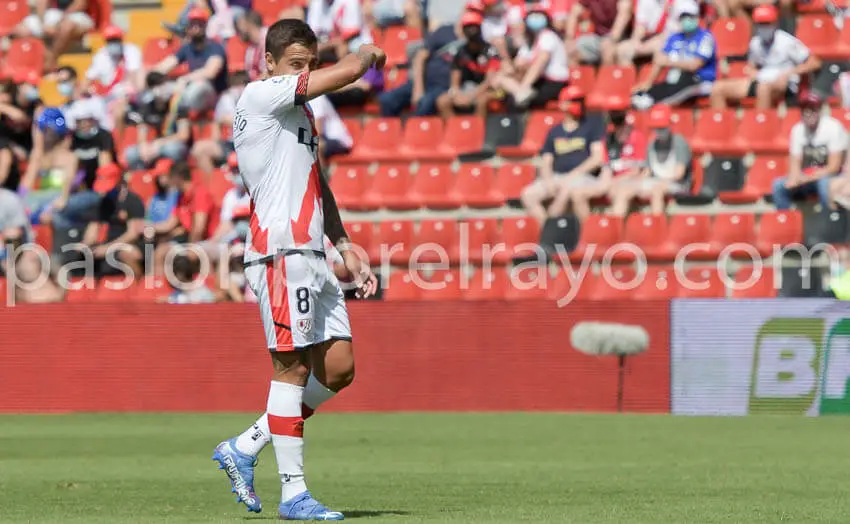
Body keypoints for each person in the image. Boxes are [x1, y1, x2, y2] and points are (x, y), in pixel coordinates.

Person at [210, 19, 380, 520]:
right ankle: (294, 494)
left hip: (312, 252)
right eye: (295, 64)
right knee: (292, 369)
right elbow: (349, 72)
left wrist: (343, 243)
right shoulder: (261, 96)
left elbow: (316, 181)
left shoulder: (298, 112)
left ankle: (245, 445)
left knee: (339, 367)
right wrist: (368, 52)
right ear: (269, 62)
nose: (303, 72)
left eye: (310, 64)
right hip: (280, 250)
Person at [709, 5, 821, 110]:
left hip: (784, 83)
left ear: (775, 23)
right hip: (761, 79)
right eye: (760, 24)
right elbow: (752, 65)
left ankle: (760, 122)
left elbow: (814, 63)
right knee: (718, 88)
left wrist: (790, 73)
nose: (764, 27)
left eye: (767, 23)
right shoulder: (755, 43)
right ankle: (721, 122)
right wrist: (752, 71)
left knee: (763, 89)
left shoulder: (787, 41)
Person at [521, 85, 604, 225]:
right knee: (528, 195)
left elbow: (597, 158)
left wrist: (574, 174)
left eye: (580, 101)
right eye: (573, 101)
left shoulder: (591, 126)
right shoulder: (555, 131)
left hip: (583, 176)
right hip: (557, 176)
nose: (578, 104)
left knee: (564, 194)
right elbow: (546, 162)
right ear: (562, 104)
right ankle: (547, 229)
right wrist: (548, 181)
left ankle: (563, 230)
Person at [631, 0, 717, 110]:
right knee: (643, 95)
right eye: (683, 16)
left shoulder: (705, 37)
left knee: (655, 101)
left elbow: (695, 65)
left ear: (696, 17)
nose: (686, 19)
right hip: (677, 80)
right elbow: (660, 60)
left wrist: (669, 62)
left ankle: (655, 106)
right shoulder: (674, 38)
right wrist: (648, 83)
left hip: (699, 80)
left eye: (689, 16)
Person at [610, 104, 691, 216]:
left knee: (656, 191)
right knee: (624, 190)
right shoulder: (651, 144)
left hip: (677, 184)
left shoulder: (678, 141)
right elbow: (647, 172)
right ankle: (616, 223)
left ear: (669, 125)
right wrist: (633, 182)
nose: (659, 131)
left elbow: (679, 173)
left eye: (662, 127)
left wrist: (659, 183)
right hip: (655, 181)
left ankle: (657, 224)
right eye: (657, 128)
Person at [572, 105, 648, 221]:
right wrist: (604, 184)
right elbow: (606, 169)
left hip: (630, 181)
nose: (621, 128)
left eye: (623, 124)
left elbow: (636, 172)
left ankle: (613, 229)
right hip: (612, 181)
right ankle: (588, 228)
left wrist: (613, 182)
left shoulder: (637, 137)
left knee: (619, 193)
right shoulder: (608, 140)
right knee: (578, 194)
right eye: (617, 124)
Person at [774, 92, 846, 209]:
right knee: (778, 185)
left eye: (812, 109)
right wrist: (795, 177)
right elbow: (795, 162)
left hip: (830, 176)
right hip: (807, 177)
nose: (808, 113)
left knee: (824, 184)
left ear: (819, 110)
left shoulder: (833, 127)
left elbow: (834, 167)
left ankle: (827, 218)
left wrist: (807, 178)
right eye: (805, 109)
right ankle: (786, 218)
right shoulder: (798, 130)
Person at [378, 18, 459, 116]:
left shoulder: (472, 41)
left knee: (425, 103)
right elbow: (420, 57)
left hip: (442, 88)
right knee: (387, 100)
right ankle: (390, 126)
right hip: (424, 81)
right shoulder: (445, 31)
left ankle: (414, 125)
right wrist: (418, 88)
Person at [494, 5, 569, 110]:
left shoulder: (548, 36)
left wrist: (523, 88)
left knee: (517, 101)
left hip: (555, 82)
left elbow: (539, 64)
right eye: (532, 15)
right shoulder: (531, 40)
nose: (535, 18)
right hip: (540, 81)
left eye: (539, 15)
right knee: (504, 83)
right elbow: (518, 63)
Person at [156, 7, 229, 115]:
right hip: (190, 88)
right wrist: (153, 75)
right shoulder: (187, 47)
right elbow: (167, 64)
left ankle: (183, 117)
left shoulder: (215, 47)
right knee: (159, 90)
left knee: (198, 87)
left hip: (214, 93)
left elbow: (210, 72)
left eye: (199, 24)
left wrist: (185, 79)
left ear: (205, 26)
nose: (195, 28)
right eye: (192, 24)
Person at [79, 163, 146, 277]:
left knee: (124, 255)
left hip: (128, 244)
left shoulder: (132, 200)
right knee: (82, 257)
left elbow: (133, 234)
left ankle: (138, 284)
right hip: (108, 244)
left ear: (119, 182)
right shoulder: (104, 202)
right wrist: (85, 244)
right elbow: (93, 227)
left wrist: (108, 248)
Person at [435, 10, 501, 118]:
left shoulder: (490, 51)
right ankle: (457, 127)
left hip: (487, 90)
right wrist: (457, 94)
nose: (471, 30)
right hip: (466, 89)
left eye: (474, 27)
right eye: (468, 27)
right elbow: (454, 81)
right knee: (442, 101)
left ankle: (477, 127)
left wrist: (471, 96)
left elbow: (490, 80)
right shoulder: (461, 52)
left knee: (482, 101)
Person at [14, 0, 95, 71]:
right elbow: (42, 2)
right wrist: (43, 24)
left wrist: (59, 23)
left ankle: (51, 61)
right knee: (20, 30)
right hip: (55, 13)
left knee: (66, 27)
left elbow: (80, 4)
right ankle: (45, 56)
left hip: (77, 14)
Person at [69, 98, 116, 190]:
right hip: (81, 184)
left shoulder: (103, 136)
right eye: (79, 121)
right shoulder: (72, 138)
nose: (84, 124)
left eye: (87, 120)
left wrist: (102, 187)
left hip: (101, 183)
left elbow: (105, 164)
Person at [565, 0, 632, 65]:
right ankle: (575, 72)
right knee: (572, 51)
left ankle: (607, 72)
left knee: (608, 51)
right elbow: (574, 13)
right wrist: (569, 39)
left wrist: (612, 40)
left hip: (619, 37)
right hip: (597, 37)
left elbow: (624, 15)